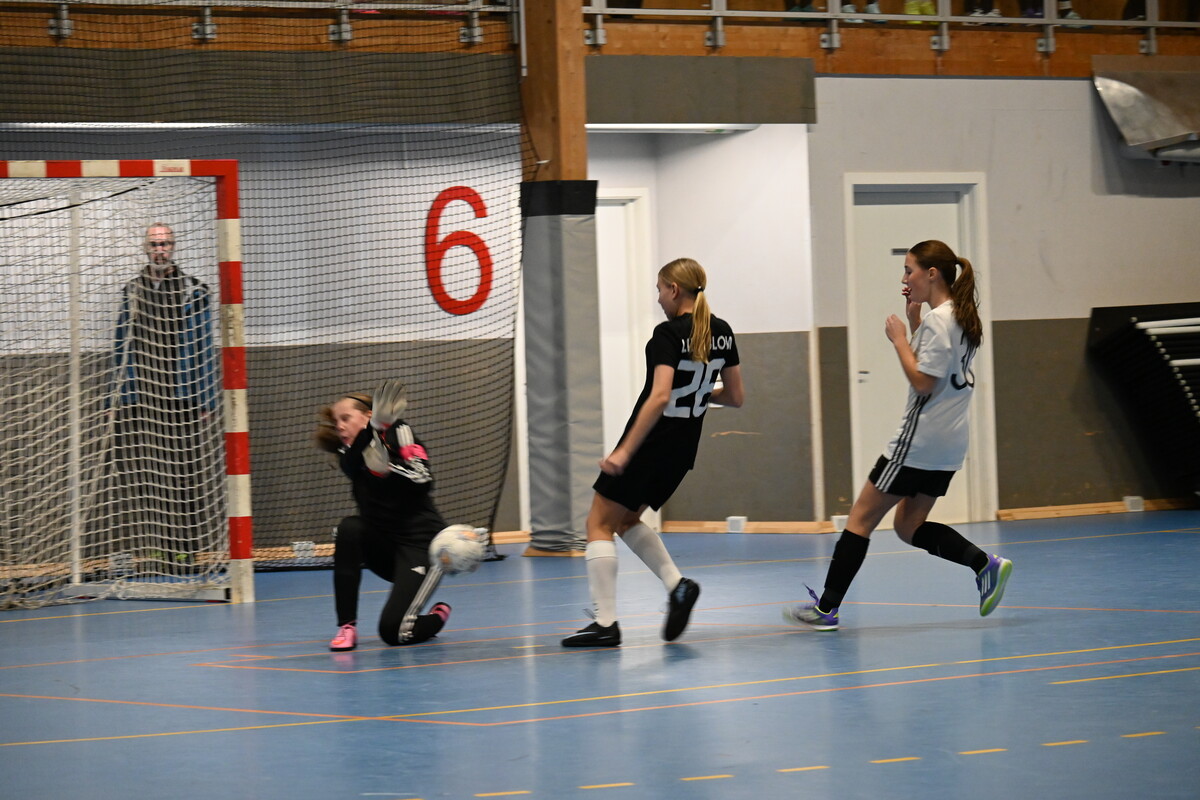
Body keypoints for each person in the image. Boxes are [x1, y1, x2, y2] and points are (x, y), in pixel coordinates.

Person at [783, 240, 1011, 632]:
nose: (905, 278)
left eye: (909, 270)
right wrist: (916, 320)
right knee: (909, 526)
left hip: (917, 444)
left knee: (860, 519)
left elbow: (924, 382)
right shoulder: (960, 317)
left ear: (931, 274)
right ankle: (983, 565)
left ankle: (826, 609)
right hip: (948, 446)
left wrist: (900, 339)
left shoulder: (941, 321)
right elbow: (938, 363)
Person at [562, 258, 744, 647]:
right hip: (682, 451)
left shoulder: (667, 334)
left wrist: (624, 451)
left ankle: (605, 623)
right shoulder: (723, 331)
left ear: (674, 290)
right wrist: (698, 394)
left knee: (597, 523)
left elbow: (660, 396)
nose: (658, 298)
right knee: (626, 520)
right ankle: (678, 586)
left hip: (650, 445)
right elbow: (735, 396)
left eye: (660, 290)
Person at [110, 222, 218, 575]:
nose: (160, 250)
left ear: (174, 247)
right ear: (146, 248)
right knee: (149, 475)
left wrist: (205, 399)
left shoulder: (194, 291)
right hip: (145, 398)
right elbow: (122, 345)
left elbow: (204, 347)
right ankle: (157, 549)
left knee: (186, 474)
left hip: (182, 396)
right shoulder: (133, 292)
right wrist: (120, 397)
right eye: (155, 244)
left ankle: (186, 552)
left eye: (166, 244)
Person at [314, 382, 453, 652]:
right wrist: (371, 433)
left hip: (420, 548)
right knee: (349, 529)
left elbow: (423, 479)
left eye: (346, 418)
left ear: (368, 415)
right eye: (336, 421)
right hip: (385, 550)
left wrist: (389, 468)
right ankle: (347, 627)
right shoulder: (348, 451)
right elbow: (352, 465)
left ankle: (437, 616)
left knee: (395, 632)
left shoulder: (400, 432)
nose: (339, 426)